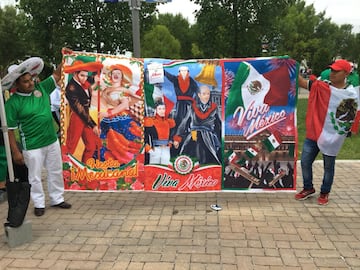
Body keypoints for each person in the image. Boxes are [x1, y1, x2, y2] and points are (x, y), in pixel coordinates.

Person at [2, 53, 72, 217]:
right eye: (25, 82)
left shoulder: (41, 88)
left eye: (30, 79)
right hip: (32, 146)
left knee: (55, 170)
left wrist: (66, 58)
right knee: (34, 176)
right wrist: (15, 152)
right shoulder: (13, 103)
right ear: (16, 84)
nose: (30, 83)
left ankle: (57, 198)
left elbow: (57, 74)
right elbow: (10, 130)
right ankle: (39, 203)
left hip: (51, 140)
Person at [295, 59, 358, 205]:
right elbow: (303, 83)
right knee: (305, 162)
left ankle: (325, 192)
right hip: (315, 132)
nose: (332, 73)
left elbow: (348, 119)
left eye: (337, 71)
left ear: (346, 74)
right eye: (332, 70)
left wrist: (341, 133)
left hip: (333, 137)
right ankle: (308, 188)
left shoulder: (351, 94)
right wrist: (292, 66)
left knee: (328, 166)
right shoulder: (322, 86)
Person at [64, 59, 103, 163]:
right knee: (71, 146)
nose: (85, 78)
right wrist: (93, 124)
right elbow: (79, 109)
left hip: (86, 117)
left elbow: (94, 77)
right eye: (82, 76)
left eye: (86, 76)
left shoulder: (85, 81)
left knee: (91, 145)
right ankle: (67, 170)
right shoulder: (71, 88)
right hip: (78, 117)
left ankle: (85, 168)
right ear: (75, 74)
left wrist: (96, 76)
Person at [173, 85, 222, 165]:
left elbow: (219, 124)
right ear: (199, 95)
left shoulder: (214, 108)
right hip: (194, 134)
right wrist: (177, 137)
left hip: (208, 136)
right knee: (190, 151)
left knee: (210, 156)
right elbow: (184, 122)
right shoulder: (193, 107)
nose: (206, 96)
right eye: (204, 94)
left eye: (208, 94)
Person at [144, 100, 176, 165]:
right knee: (154, 169)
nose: (162, 111)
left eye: (163, 109)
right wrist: (149, 150)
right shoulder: (150, 121)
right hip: (155, 149)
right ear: (155, 110)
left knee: (165, 169)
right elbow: (144, 137)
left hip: (166, 149)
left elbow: (172, 135)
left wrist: (170, 143)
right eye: (159, 109)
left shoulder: (169, 122)